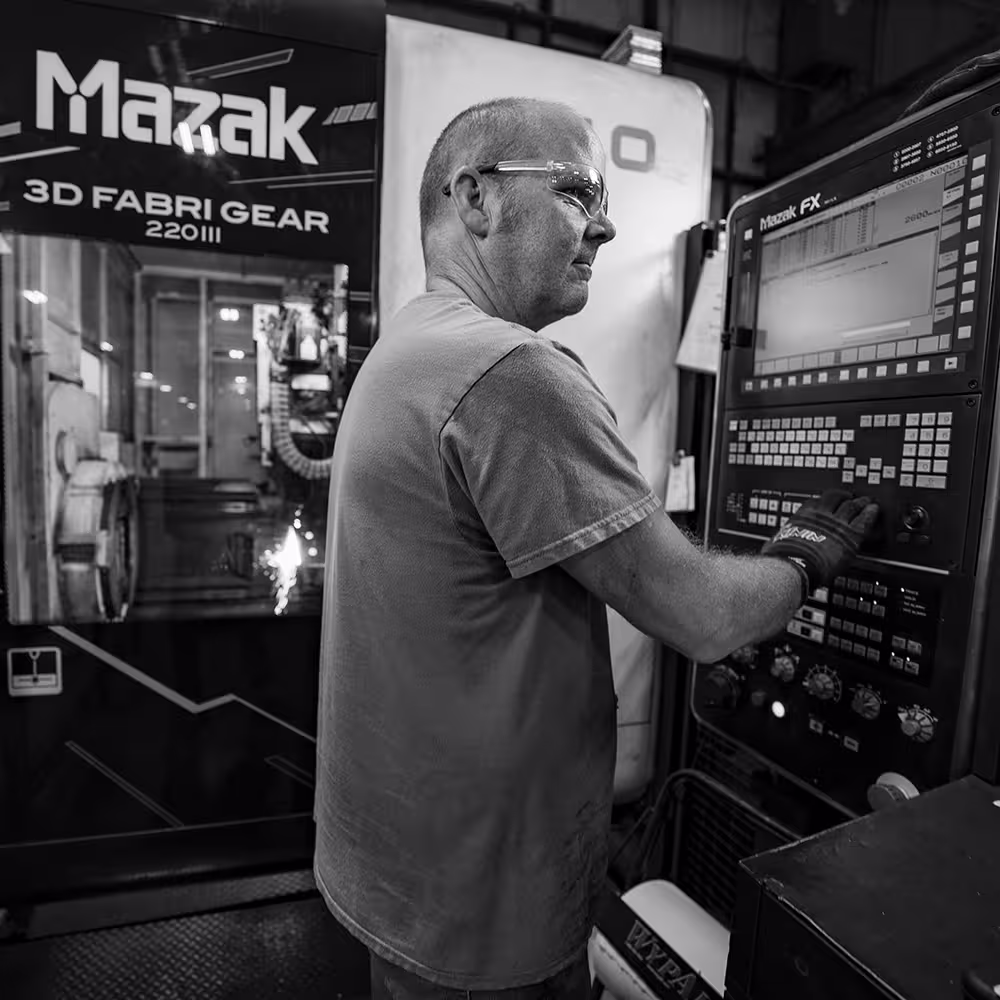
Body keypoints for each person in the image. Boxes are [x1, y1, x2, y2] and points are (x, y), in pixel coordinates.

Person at [313, 96, 879, 1000]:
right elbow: (698, 616)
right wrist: (806, 555)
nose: (607, 226)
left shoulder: (405, 351)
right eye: (578, 191)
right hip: (485, 916)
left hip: (396, 870)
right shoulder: (511, 373)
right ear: (475, 198)